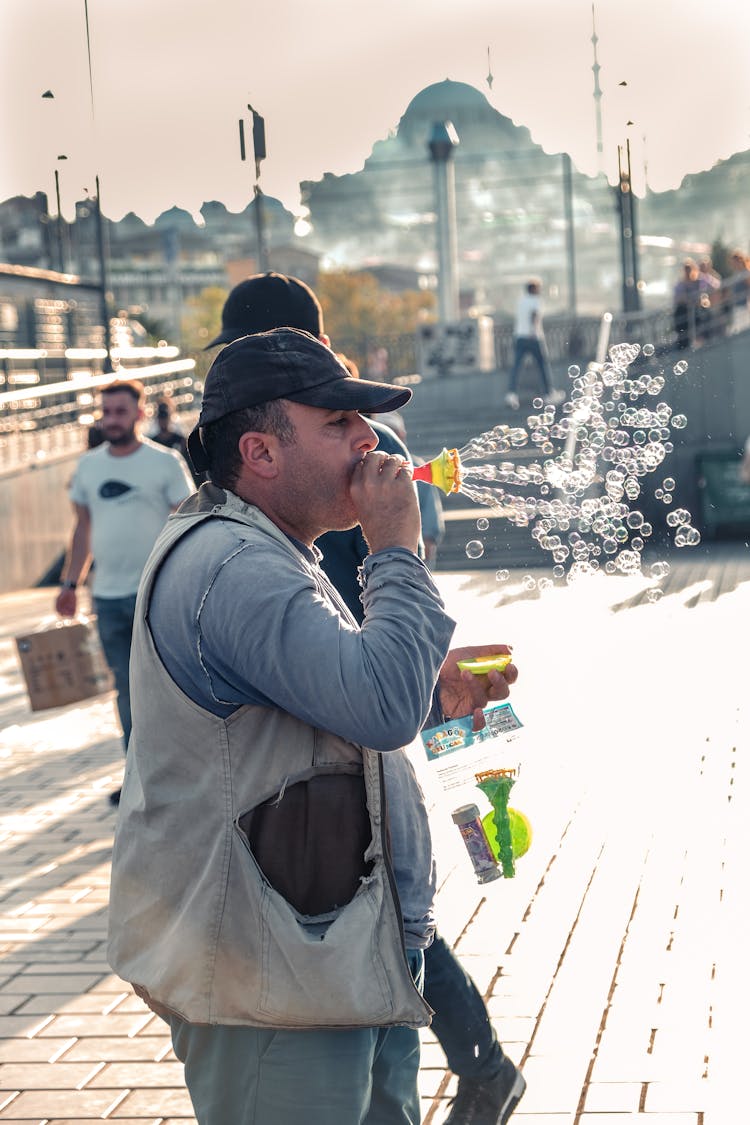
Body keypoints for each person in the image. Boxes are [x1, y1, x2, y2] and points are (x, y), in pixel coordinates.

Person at [107, 328, 520, 1125]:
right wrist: (397, 544)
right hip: (270, 989)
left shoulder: (270, 548)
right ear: (260, 451)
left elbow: (336, 703)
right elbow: (374, 708)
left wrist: (430, 690)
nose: (369, 441)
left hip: (331, 966)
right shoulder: (234, 566)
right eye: (338, 423)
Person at [55, 379, 194, 805]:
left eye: (120, 412)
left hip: (156, 594)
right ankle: (139, 777)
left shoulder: (166, 463)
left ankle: (179, 775)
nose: (111, 419)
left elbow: (188, 522)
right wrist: (69, 583)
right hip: (108, 597)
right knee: (126, 688)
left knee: (168, 689)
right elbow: (82, 529)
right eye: (106, 412)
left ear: (139, 413)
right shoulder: (89, 466)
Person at [505, 279, 563, 410]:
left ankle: (511, 394)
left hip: (519, 336)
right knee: (542, 365)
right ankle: (549, 393)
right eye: (538, 288)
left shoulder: (521, 301)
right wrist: (533, 331)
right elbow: (534, 316)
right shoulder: (536, 300)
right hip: (533, 337)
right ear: (534, 289)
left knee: (517, 366)